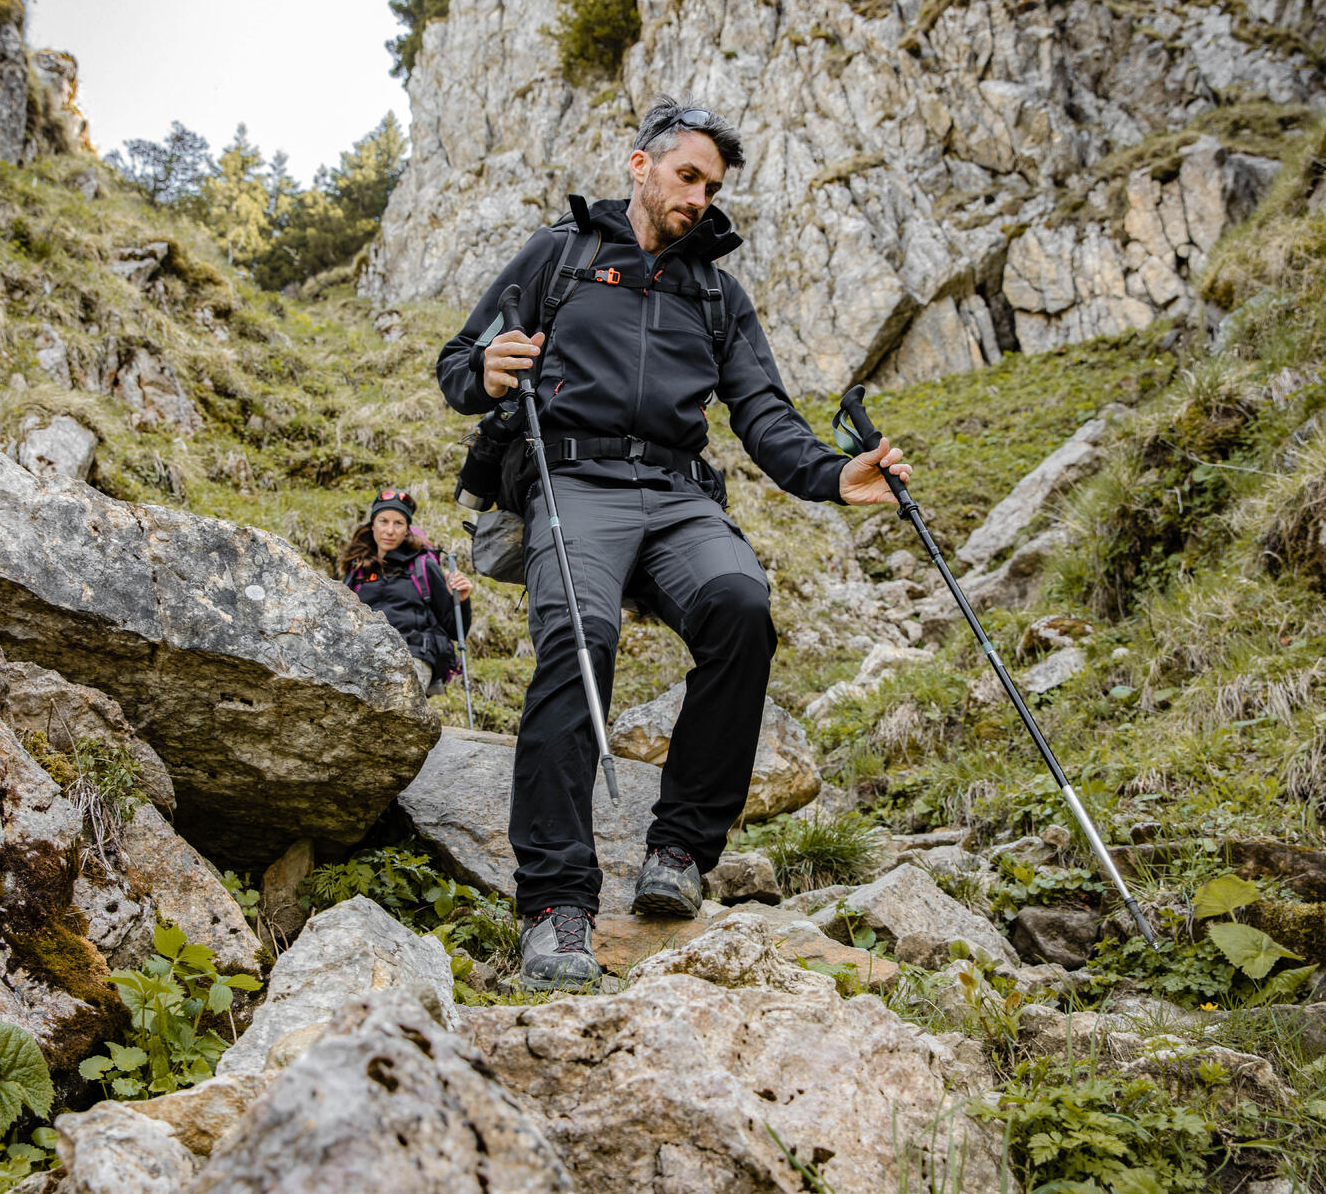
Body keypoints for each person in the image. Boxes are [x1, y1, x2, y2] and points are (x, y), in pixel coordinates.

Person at [437, 96, 912, 990]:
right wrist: (486, 372)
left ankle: (681, 852)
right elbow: (462, 362)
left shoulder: (715, 293)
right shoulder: (561, 255)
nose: (699, 197)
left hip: (678, 494)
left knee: (741, 608)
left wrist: (829, 475)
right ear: (640, 165)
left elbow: (763, 412)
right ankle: (555, 906)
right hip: (572, 480)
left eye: (713, 185)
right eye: (687, 176)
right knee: (581, 642)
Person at [341, 487, 473, 696]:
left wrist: (462, 600)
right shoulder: (357, 569)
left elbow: (456, 631)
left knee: (392, 703)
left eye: (398, 523)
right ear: (372, 525)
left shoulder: (422, 564)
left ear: (407, 529)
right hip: (364, 654)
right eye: (383, 521)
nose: (390, 530)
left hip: (414, 654)